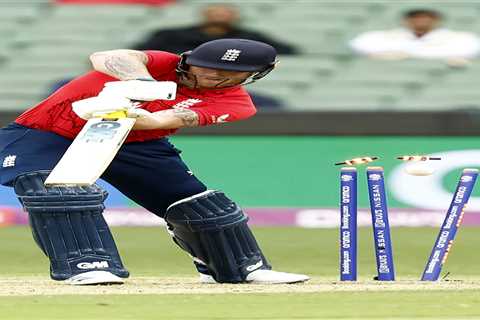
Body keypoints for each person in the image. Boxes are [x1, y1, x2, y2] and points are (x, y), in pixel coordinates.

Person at [0, 38, 309, 285]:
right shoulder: (165, 61)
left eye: (227, 73)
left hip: (138, 140)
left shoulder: (236, 103)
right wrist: (141, 81)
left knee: (198, 204)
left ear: (256, 74)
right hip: (45, 133)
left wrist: (140, 115)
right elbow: (106, 55)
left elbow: (165, 118)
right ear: (188, 59)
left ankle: (240, 267)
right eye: (206, 67)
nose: (212, 75)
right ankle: (88, 265)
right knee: (57, 192)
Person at [133, 4, 298, 55]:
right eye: (214, 14)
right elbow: (142, 51)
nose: (219, 17)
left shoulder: (250, 36)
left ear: (235, 17)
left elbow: (284, 50)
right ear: (204, 15)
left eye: (224, 14)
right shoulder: (171, 34)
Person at [349, 9, 480, 62]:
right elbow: (358, 44)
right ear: (406, 20)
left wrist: (404, 54)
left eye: (426, 17)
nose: (421, 21)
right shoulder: (386, 36)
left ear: (437, 20)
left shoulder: (459, 38)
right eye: (416, 17)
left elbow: (472, 48)